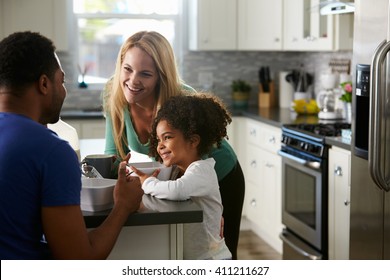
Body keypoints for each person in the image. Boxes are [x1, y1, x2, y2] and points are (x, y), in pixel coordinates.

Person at [0, 31, 144, 260]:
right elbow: (79, 261)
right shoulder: (51, 151)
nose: (64, 90)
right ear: (44, 84)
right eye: (62, 81)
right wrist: (123, 206)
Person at [103, 31, 245, 259]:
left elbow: (195, 161)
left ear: (161, 76)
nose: (133, 81)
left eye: (146, 74)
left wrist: (212, 206)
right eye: (127, 69)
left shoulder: (181, 99)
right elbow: (115, 155)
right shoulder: (114, 92)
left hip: (219, 174)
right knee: (187, 251)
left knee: (219, 253)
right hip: (181, 179)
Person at [131, 93, 232, 260]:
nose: (160, 146)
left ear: (193, 141)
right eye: (158, 139)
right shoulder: (177, 170)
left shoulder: (202, 171)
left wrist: (147, 182)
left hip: (212, 259)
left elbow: (177, 191)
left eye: (167, 137)